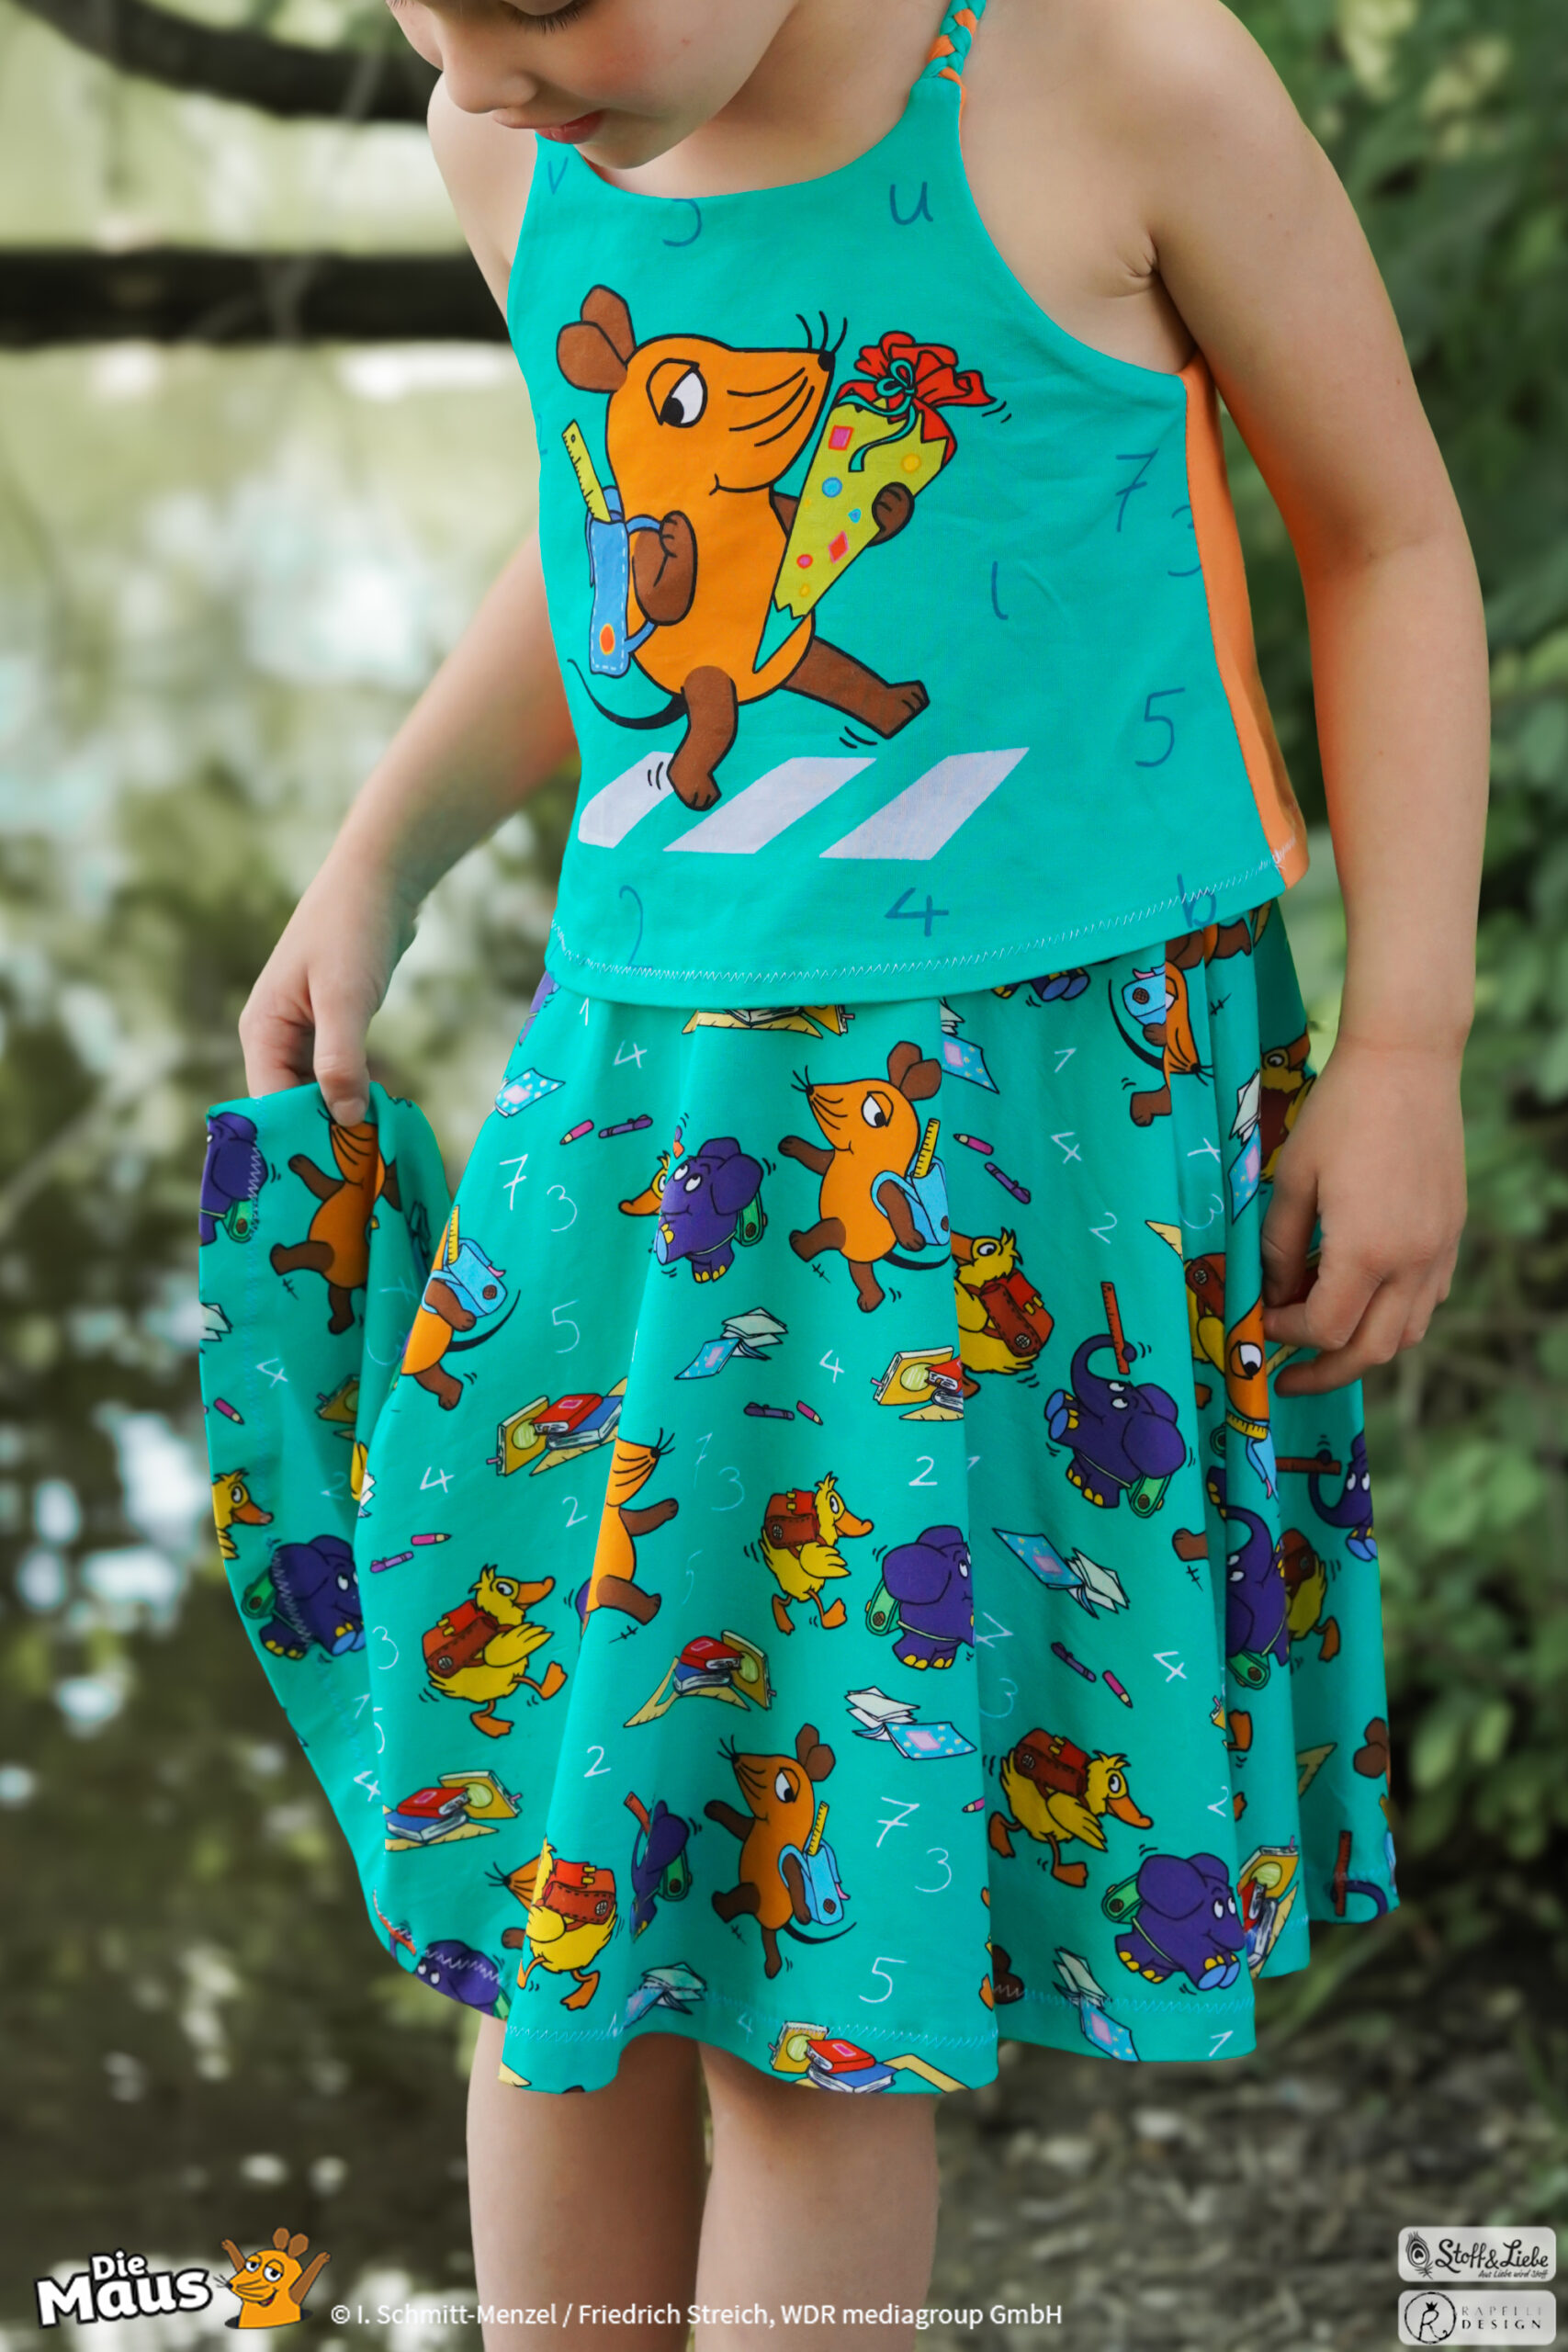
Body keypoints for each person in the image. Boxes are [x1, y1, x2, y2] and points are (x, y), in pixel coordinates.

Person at [197, 1, 1487, 2343]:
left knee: (816, 1974)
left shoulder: (1118, 79)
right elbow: (617, 555)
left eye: (541, 1)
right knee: (563, 1905)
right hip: (643, 1148)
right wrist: (377, 856)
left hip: (1003, 1166)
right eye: (431, 5)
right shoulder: (514, 142)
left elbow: (1382, 534)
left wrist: (1401, 1043)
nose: (487, 74)